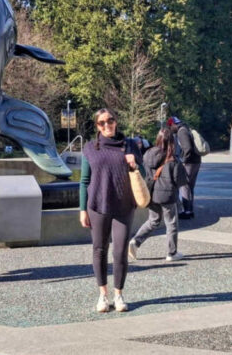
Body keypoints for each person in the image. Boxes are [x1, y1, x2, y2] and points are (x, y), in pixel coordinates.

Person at [80, 108, 137, 313]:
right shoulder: (89, 148)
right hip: (97, 205)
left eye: (110, 121)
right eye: (102, 123)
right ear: (97, 126)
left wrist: (133, 164)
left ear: (116, 121)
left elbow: (142, 174)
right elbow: (84, 180)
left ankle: (119, 295)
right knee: (99, 249)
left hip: (124, 205)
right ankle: (103, 295)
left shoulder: (129, 145)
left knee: (120, 251)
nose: (107, 125)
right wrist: (82, 209)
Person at [129, 128, 187, 263]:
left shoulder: (148, 154)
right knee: (171, 223)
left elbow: (145, 172)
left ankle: (135, 242)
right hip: (167, 196)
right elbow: (180, 181)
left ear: (158, 139)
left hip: (152, 193)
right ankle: (171, 253)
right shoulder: (172, 159)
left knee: (153, 221)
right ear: (172, 142)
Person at [168, 117, 200, 220]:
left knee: (184, 186)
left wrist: (183, 161)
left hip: (189, 163)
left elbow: (187, 148)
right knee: (190, 187)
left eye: (170, 126)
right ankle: (190, 210)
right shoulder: (187, 129)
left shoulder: (181, 132)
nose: (170, 128)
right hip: (195, 161)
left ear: (173, 124)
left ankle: (186, 211)